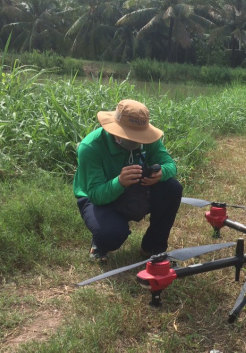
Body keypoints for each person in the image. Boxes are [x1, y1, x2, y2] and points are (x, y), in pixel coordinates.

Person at [73, 99, 183, 262]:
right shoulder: (91, 147)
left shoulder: (148, 141)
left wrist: (161, 173)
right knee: (111, 234)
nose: (135, 141)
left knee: (172, 188)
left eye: (138, 137)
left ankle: (153, 248)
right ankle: (100, 244)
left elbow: (170, 165)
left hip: (135, 189)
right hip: (96, 197)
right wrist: (119, 182)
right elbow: (95, 194)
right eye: (129, 136)